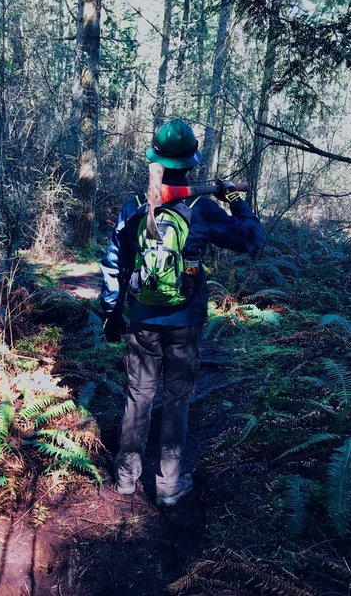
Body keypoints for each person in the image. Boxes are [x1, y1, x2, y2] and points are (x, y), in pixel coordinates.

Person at [100, 118, 263, 507]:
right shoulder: (201, 209)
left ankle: (126, 477)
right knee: (177, 399)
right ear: (191, 163)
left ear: (153, 160)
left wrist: (111, 311)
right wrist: (238, 203)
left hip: (141, 318)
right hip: (185, 322)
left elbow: (113, 263)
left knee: (138, 396)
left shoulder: (135, 207)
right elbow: (252, 239)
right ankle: (169, 486)